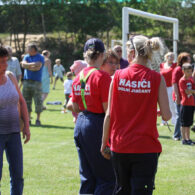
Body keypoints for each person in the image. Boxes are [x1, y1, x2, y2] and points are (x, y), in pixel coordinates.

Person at [101, 35, 171, 195]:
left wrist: (104, 142)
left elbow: (109, 114)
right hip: (146, 147)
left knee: (121, 190)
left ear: (132, 52)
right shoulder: (156, 78)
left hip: (120, 145)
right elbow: (167, 116)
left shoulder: (117, 76)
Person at [72, 38, 115, 195]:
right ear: (102, 55)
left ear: (85, 55)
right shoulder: (102, 77)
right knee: (107, 178)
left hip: (81, 122)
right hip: (96, 124)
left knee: (87, 177)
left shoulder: (78, 77)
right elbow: (107, 110)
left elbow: (75, 106)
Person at [0, 46, 30, 195]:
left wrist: (27, 126)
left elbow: (22, 101)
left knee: (17, 176)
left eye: (6, 61)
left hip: (14, 133)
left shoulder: (11, 76)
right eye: (1, 62)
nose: (5, 65)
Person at [21, 43, 44, 126]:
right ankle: (28, 119)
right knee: (26, 101)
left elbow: (38, 67)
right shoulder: (26, 56)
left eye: (28, 48)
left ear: (33, 49)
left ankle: (38, 119)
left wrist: (28, 66)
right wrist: (33, 64)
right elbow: (23, 65)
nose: (27, 50)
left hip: (37, 82)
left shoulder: (40, 57)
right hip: (26, 81)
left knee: (38, 101)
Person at [172, 52, 191, 141]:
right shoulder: (178, 70)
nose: (190, 60)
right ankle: (176, 135)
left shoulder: (187, 69)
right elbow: (174, 83)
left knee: (184, 116)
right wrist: (177, 96)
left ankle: (182, 135)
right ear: (183, 60)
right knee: (179, 116)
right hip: (179, 97)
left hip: (186, 97)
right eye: (188, 58)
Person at [179, 63, 195, 145]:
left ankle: (188, 139)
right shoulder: (182, 80)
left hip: (191, 104)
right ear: (183, 71)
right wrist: (193, 91)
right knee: (184, 123)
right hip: (185, 104)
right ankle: (184, 139)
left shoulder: (190, 80)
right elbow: (187, 91)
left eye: (190, 71)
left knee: (189, 123)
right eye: (187, 71)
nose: (189, 73)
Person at [160, 52, 177, 125]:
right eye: (170, 56)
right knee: (163, 103)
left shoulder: (175, 65)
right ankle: (164, 121)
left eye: (173, 56)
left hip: (171, 87)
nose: (172, 58)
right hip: (162, 87)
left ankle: (174, 119)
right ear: (166, 57)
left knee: (171, 104)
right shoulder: (162, 65)